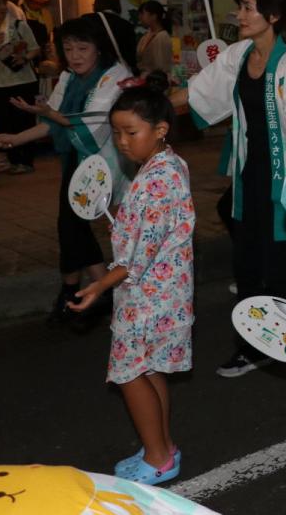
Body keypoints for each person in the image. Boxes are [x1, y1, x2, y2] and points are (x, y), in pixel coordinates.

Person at [170, 0, 286, 377]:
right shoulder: (237, 55)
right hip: (250, 177)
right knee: (247, 265)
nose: (240, 14)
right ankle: (250, 345)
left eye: (249, 7)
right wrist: (149, 109)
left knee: (280, 265)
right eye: (241, 6)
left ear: (274, 15)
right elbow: (198, 91)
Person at [67, 72, 195, 486]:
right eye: (117, 133)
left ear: (160, 129)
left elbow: (140, 256)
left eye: (130, 132)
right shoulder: (166, 164)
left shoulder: (158, 178)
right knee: (150, 369)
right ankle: (161, 447)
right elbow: (147, 232)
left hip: (148, 297)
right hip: (161, 295)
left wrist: (99, 285)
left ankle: (158, 457)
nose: (122, 141)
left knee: (128, 372)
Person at [0, 14, 130, 323]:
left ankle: (85, 291)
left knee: (72, 226)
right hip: (76, 162)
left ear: (98, 48)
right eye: (69, 49)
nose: (75, 56)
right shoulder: (68, 78)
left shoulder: (114, 76)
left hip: (104, 164)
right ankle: (96, 291)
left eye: (83, 48)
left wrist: (46, 115)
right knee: (72, 227)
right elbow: (51, 119)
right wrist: (16, 138)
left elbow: (91, 124)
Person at [0, 0, 41, 174]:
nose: (2, 7)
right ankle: (9, 161)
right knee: (3, 122)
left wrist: (25, 57)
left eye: (3, 3)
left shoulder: (19, 25)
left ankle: (26, 161)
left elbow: (36, 49)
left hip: (22, 81)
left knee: (24, 121)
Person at [93, 0, 139, 73]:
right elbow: (131, 55)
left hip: (94, 70)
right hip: (118, 72)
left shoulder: (88, 21)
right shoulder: (126, 25)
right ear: (117, 4)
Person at [136, 0, 174, 76]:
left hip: (154, 80)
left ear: (154, 16)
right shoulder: (147, 35)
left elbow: (162, 66)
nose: (140, 17)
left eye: (143, 14)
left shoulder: (162, 36)